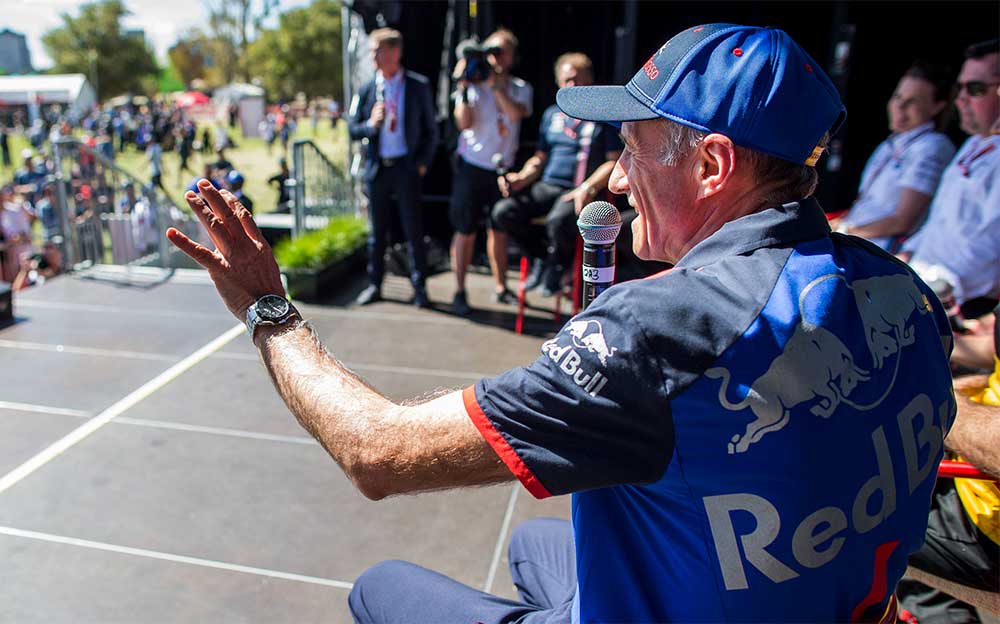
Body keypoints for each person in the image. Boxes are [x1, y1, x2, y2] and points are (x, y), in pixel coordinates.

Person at [168, 24, 956, 621]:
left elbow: (375, 452)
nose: (616, 170)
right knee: (530, 542)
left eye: (637, 144)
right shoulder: (903, 293)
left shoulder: (661, 332)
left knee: (380, 588)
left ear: (712, 166)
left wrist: (267, 309)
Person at [898, 302, 1000, 623]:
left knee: (865, 520)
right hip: (972, 473)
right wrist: (944, 345)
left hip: (985, 517)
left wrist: (940, 405)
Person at [491, 52, 622, 299]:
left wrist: (588, 187)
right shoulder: (552, 114)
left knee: (558, 220)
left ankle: (557, 267)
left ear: (589, 80)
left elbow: (613, 162)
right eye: (565, 81)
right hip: (549, 185)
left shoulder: (602, 117)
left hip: (580, 188)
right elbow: (540, 158)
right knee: (503, 212)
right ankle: (541, 259)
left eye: (576, 80)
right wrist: (520, 177)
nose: (570, 86)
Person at [900, 39, 1000, 316]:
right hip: (922, 280)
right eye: (960, 88)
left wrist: (934, 286)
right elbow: (940, 224)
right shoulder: (973, 145)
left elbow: (992, 247)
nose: (961, 99)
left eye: (975, 89)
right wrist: (906, 255)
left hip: (959, 305)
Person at [348, 28, 438, 308]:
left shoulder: (416, 85)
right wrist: (369, 125)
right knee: (378, 231)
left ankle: (420, 287)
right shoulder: (366, 89)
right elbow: (352, 128)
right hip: (378, 168)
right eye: (372, 51)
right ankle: (375, 283)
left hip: (406, 167)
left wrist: (422, 163)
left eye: (379, 50)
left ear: (395, 52)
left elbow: (431, 130)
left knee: (413, 228)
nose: (374, 56)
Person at [449, 27, 533, 315]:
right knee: (465, 230)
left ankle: (501, 287)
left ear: (511, 56)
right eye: (490, 52)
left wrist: (497, 86)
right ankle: (459, 290)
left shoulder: (521, 88)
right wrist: (462, 84)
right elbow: (463, 122)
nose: (495, 58)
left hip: (503, 169)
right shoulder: (474, 85)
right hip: (472, 166)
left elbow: (514, 113)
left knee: (498, 229)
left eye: (501, 52)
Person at [836, 62, 955, 251]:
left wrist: (843, 231)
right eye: (897, 97)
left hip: (881, 258)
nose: (900, 106)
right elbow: (866, 205)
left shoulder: (932, 146)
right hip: (854, 244)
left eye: (912, 101)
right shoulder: (889, 145)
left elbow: (902, 221)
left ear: (937, 107)